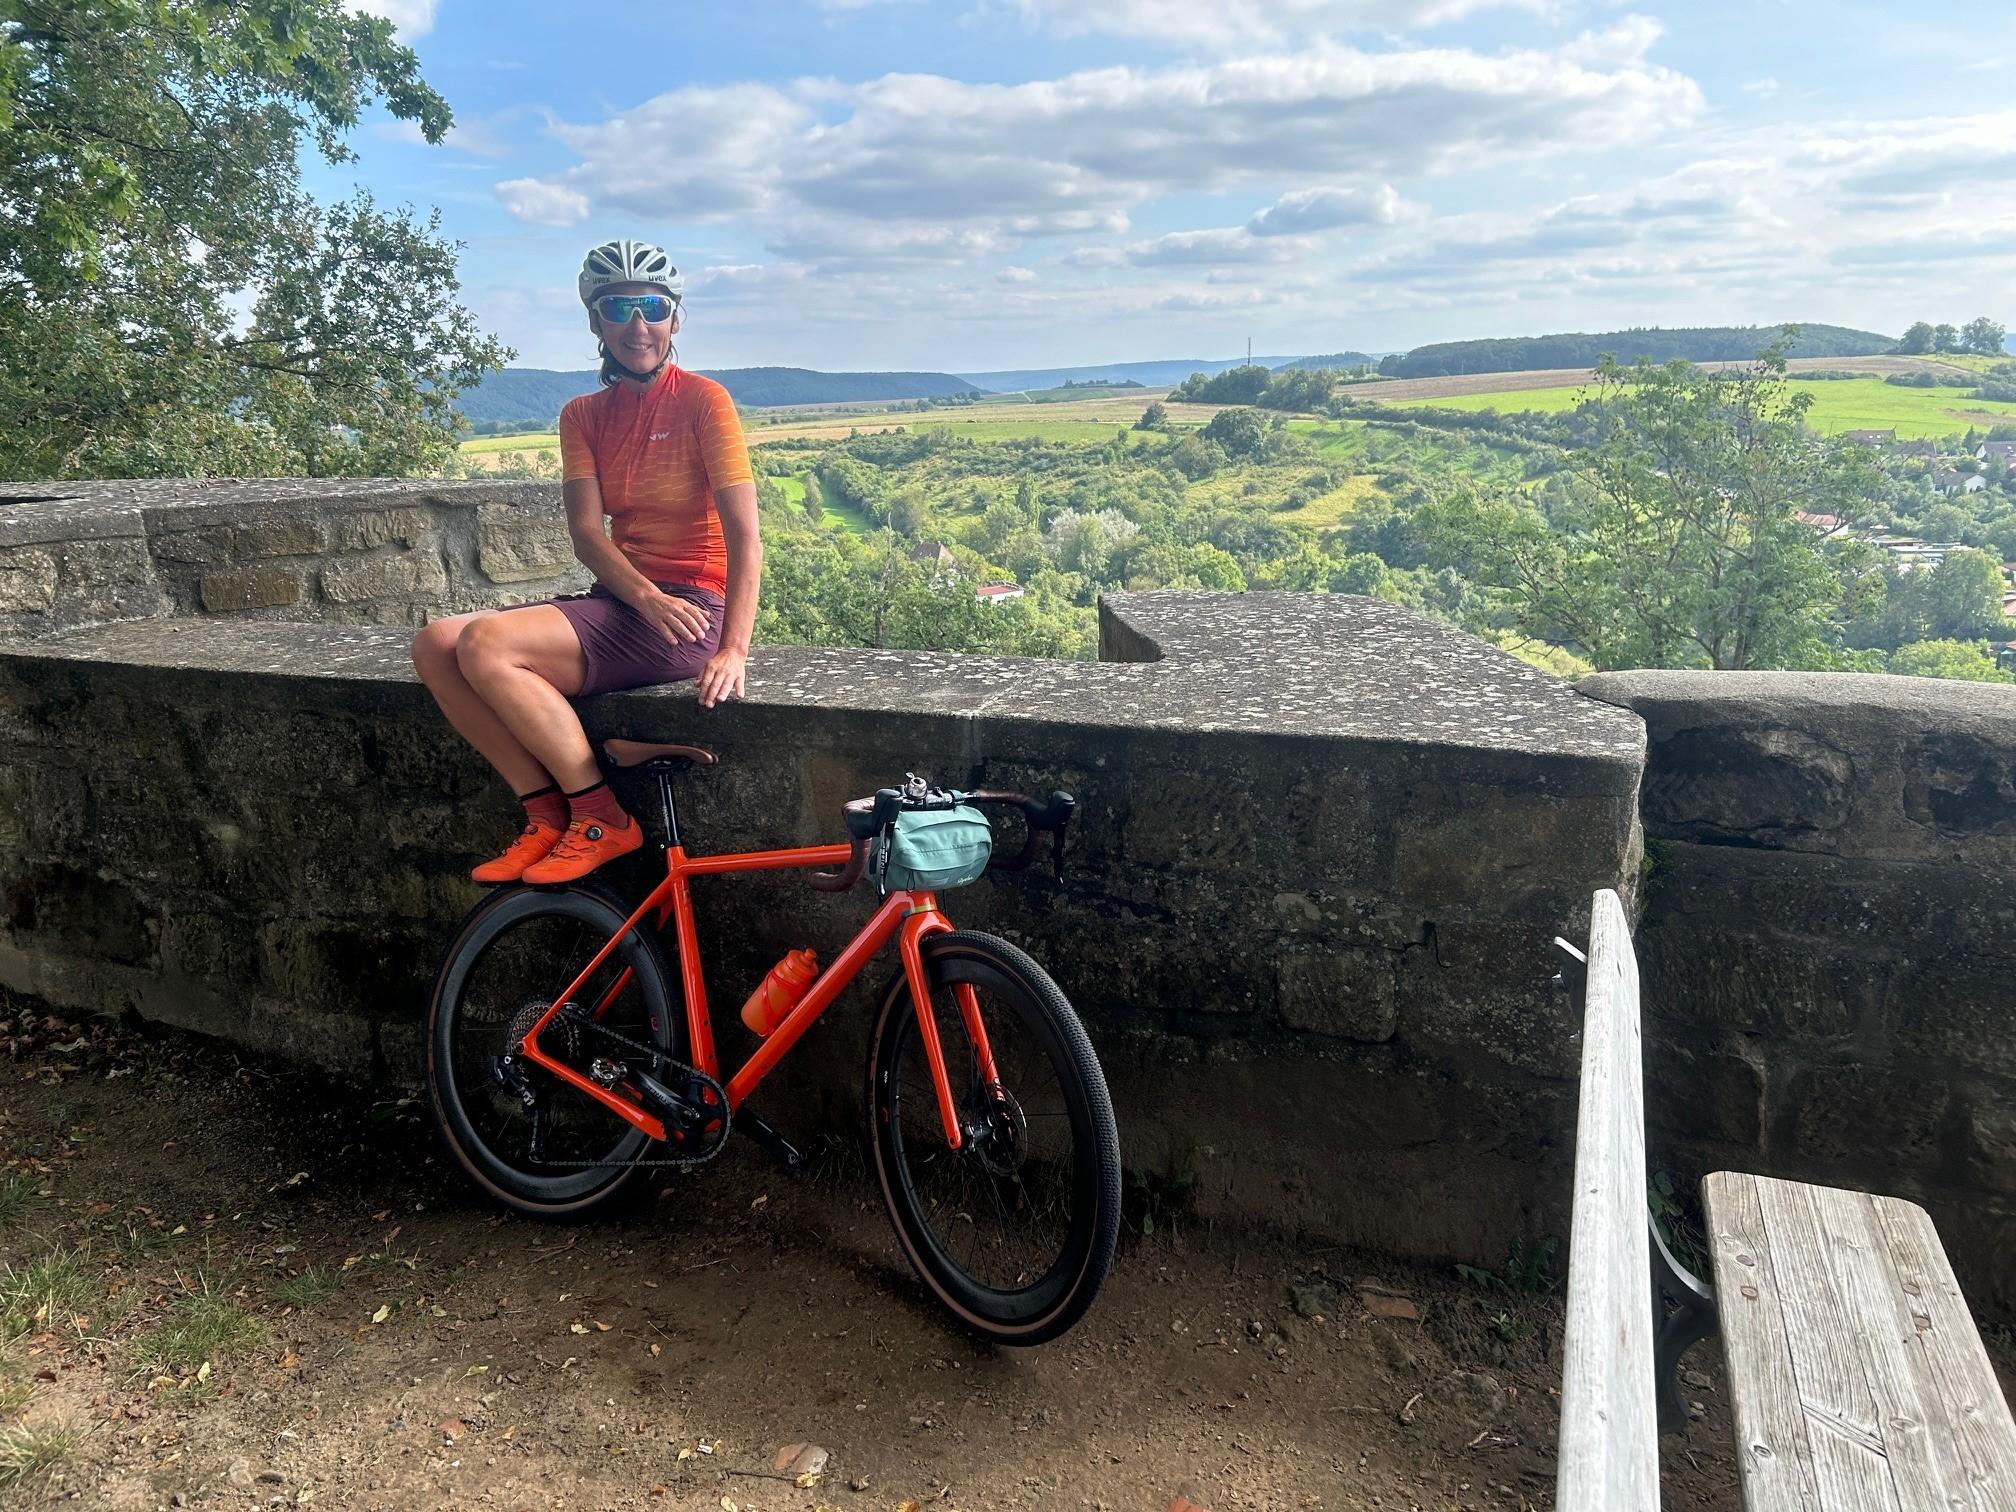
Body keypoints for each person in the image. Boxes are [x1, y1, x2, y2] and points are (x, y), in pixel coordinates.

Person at [411, 239, 761, 885]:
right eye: (619, 307)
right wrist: (643, 596)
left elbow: (746, 538)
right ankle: (546, 816)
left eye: (653, 305)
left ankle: (601, 816)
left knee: (487, 644)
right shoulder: (582, 415)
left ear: (675, 318)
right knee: (436, 645)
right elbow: (585, 533)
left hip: (693, 611)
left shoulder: (704, 401)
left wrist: (734, 649)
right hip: (630, 602)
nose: (638, 324)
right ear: (596, 321)